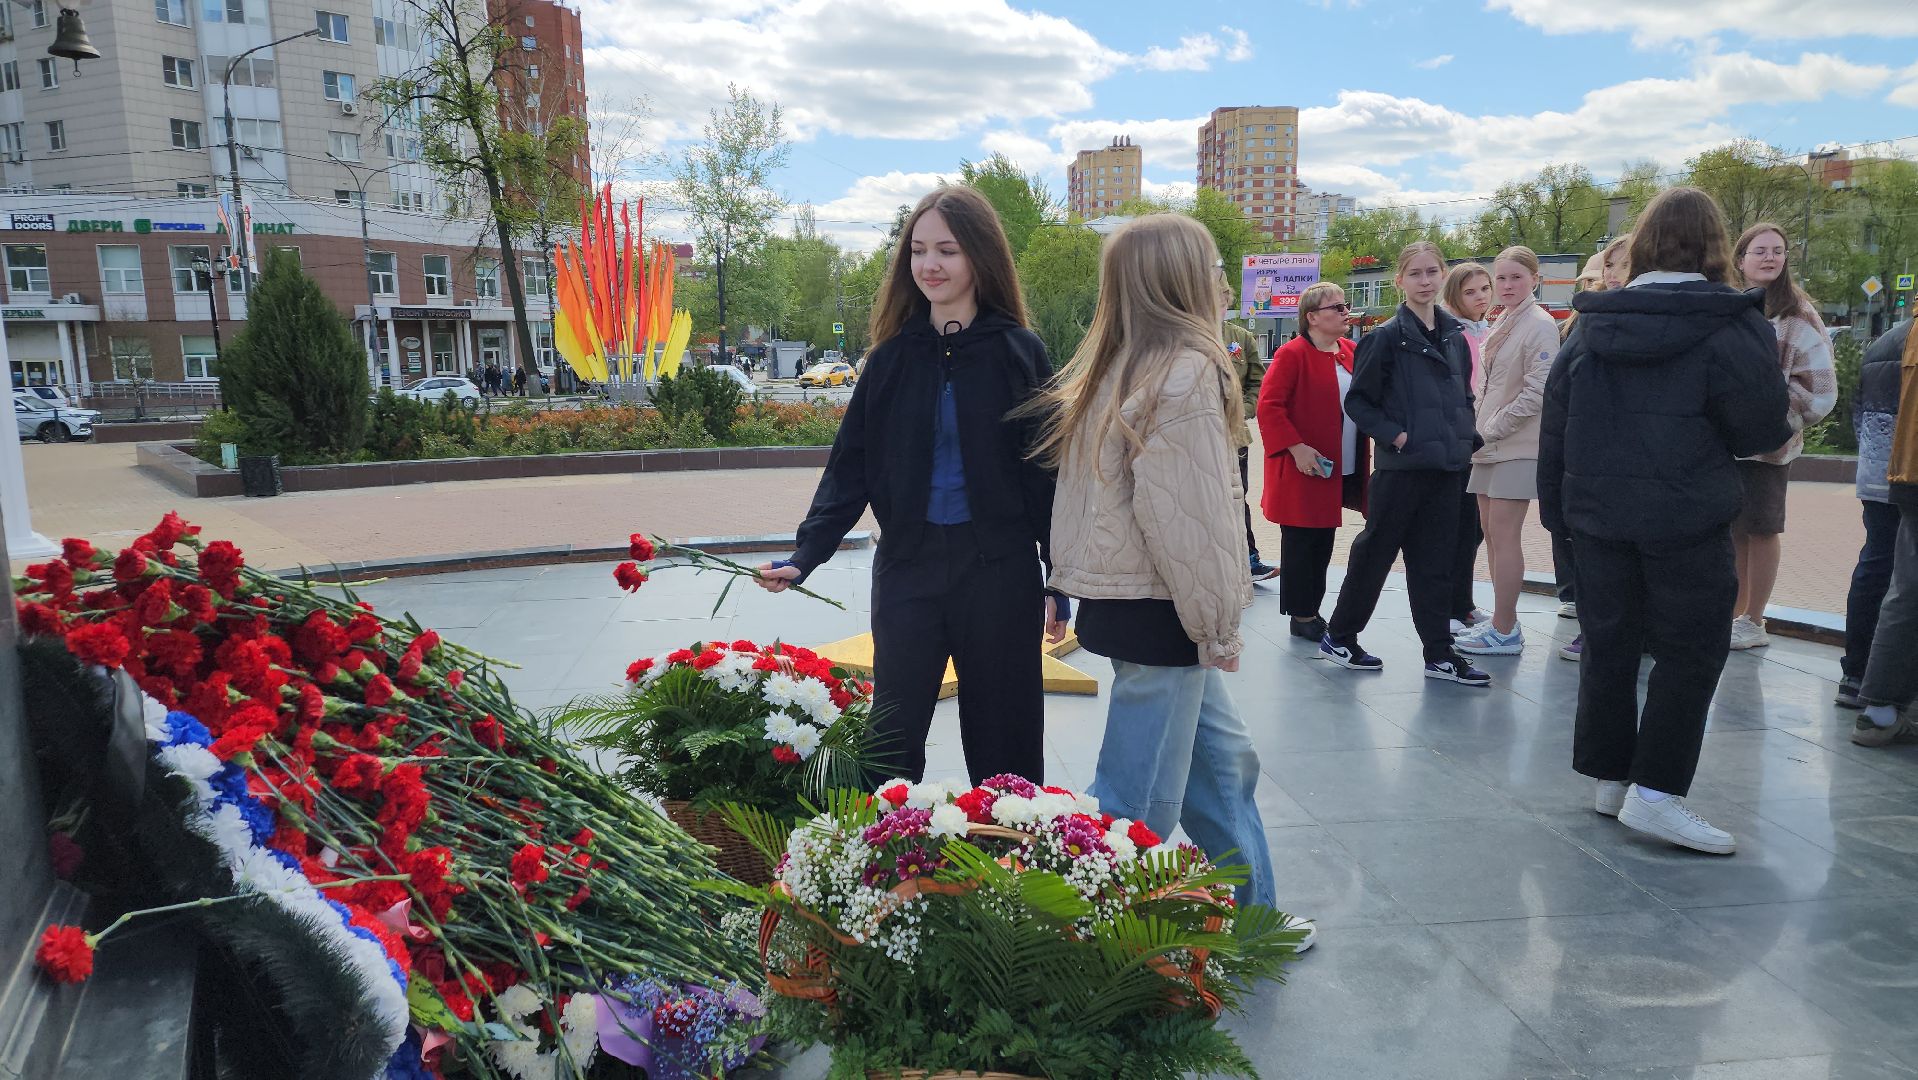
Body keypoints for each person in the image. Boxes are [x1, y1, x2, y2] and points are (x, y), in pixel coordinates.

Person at [1034, 213, 1312, 949]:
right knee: (1134, 806)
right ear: (1183, 278)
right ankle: (1078, 947)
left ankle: (1254, 921)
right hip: (1166, 613)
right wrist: (1218, 628)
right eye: (1214, 266)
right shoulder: (1185, 371)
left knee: (1224, 770)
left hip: (1144, 606)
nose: (1222, 280)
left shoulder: (1120, 364)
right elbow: (1194, 520)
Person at [754, 186, 1062, 785]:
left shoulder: (1018, 352)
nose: (929, 265)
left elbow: (1046, 474)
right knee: (890, 749)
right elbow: (850, 466)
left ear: (979, 255)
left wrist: (1060, 574)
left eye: (947, 250)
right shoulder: (892, 358)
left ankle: (1009, 842)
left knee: (1007, 748)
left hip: (999, 576)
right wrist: (806, 553)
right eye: (918, 251)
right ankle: (888, 845)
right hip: (908, 571)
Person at [1539, 186, 1790, 854]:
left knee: (1610, 644)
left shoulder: (1592, 323)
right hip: (1686, 514)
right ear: (1715, 244)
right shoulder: (1733, 323)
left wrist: (1560, 517)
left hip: (1598, 517)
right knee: (1691, 650)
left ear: (1645, 242)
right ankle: (1656, 794)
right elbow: (1760, 428)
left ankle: (1612, 780)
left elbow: (1555, 426)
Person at [1320, 241, 1491, 687]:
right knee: (1375, 554)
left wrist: (1466, 438)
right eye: (1415, 273)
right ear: (1400, 280)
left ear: (1443, 275)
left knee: (1435, 562)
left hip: (1447, 469)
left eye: (1432, 271)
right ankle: (1340, 636)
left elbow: (1463, 396)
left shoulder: (1455, 337)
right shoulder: (1385, 338)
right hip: (1401, 470)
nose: (1425, 281)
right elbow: (1360, 402)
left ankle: (1439, 654)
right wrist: (1397, 436)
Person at [1728, 223, 1837, 650]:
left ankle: (1754, 620)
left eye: (1777, 250)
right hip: (1729, 446)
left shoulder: (1798, 315)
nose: (1770, 257)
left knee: (1761, 529)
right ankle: (1734, 615)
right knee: (1735, 531)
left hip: (1769, 449)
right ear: (1741, 260)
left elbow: (1821, 391)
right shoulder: (1734, 307)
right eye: (1760, 251)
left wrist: (1773, 420)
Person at [1457, 247, 1559, 657]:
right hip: (1489, 443)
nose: (1506, 285)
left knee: (1505, 535)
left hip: (1514, 445)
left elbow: (1539, 391)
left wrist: (1492, 427)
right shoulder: (1504, 320)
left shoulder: (1540, 324)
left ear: (1535, 278)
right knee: (1492, 536)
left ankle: (1505, 629)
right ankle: (1502, 622)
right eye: (1501, 277)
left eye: (1516, 277)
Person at [1258, 280, 1367, 641]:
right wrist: (1297, 448)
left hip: (1339, 463)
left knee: (1322, 540)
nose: (1345, 312)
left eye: (1345, 305)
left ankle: (1310, 611)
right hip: (1303, 465)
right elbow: (1269, 407)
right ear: (1312, 317)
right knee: (1303, 542)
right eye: (1337, 307)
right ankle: (1303, 616)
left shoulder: (1350, 350)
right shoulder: (1292, 354)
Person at [1840, 318, 1910, 708]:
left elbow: (1859, 411)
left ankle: (1854, 674)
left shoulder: (1885, 341)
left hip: (1877, 472)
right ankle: (1886, 687)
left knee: (1875, 564)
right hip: (1908, 473)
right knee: (1904, 580)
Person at [1854, 320, 1918, 746]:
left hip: (1898, 474)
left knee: (1901, 586)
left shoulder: (1893, 338)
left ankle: (1874, 705)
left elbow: (1860, 410)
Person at [1441, 262, 1494, 634]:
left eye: (1484, 289)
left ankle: (1462, 601)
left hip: (1485, 439)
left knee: (1473, 528)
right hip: (1459, 441)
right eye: (1470, 292)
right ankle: (1450, 604)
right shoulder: (1450, 333)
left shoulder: (1490, 330)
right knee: (1457, 528)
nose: (1480, 297)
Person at [1223, 309, 1277, 580]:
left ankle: (1249, 561)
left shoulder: (1240, 337)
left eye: (1223, 296)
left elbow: (1258, 382)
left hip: (1233, 435)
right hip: (1191, 436)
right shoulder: (1182, 333)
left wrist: (1242, 409)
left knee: (1236, 497)